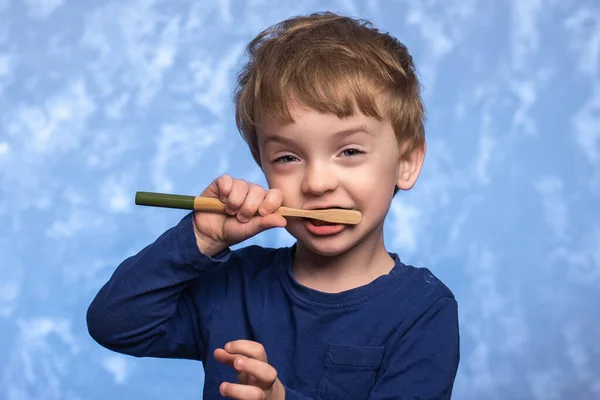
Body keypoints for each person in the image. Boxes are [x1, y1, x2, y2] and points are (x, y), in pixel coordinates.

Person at [87, 11, 460, 400]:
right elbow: (114, 324)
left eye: (349, 151)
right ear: (262, 163)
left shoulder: (424, 310)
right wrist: (201, 237)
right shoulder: (235, 285)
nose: (317, 183)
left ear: (406, 163)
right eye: (287, 158)